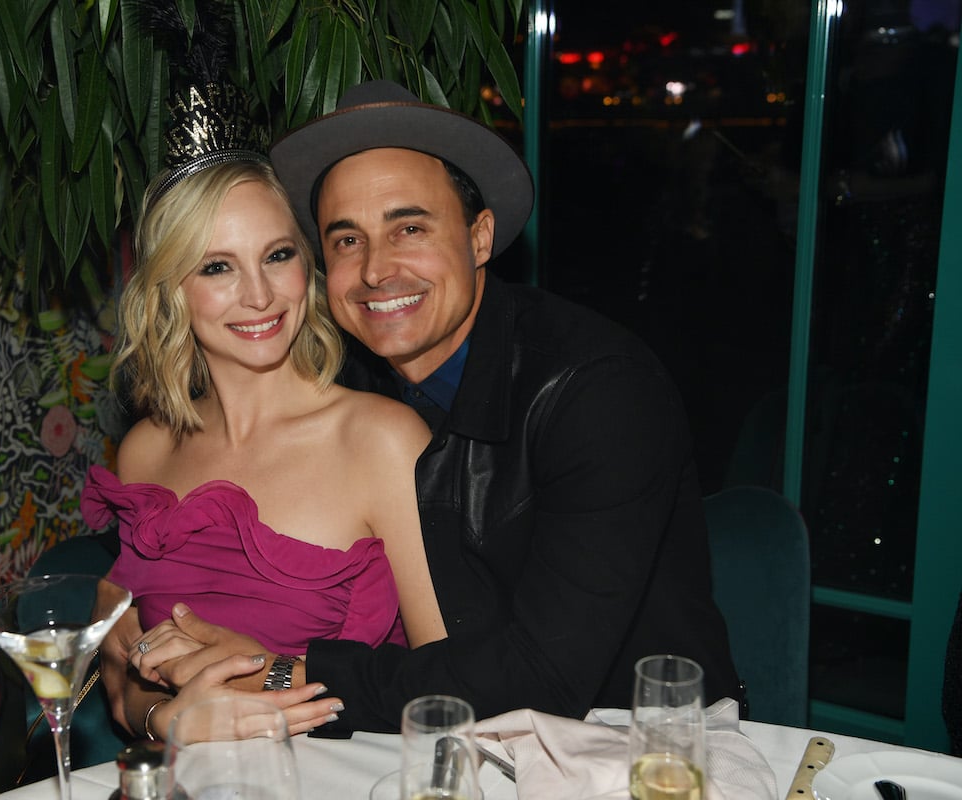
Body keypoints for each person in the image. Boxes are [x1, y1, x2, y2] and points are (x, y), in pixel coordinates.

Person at [138, 79, 743, 733]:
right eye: (346, 240)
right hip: (437, 739)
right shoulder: (344, 382)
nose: (375, 270)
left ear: (479, 237)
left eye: (409, 228)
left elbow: (545, 679)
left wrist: (278, 669)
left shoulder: (597, 390)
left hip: (639, 746)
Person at [88, 81, 445, 741]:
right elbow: (122, 683)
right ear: (172, 291)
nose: (258, 295)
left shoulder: (381, 441)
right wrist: (165, 719)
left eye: (277, 255)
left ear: (306, 267)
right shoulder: (147, 450)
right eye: (217, 267)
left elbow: (449, 692)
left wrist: (257, 671)